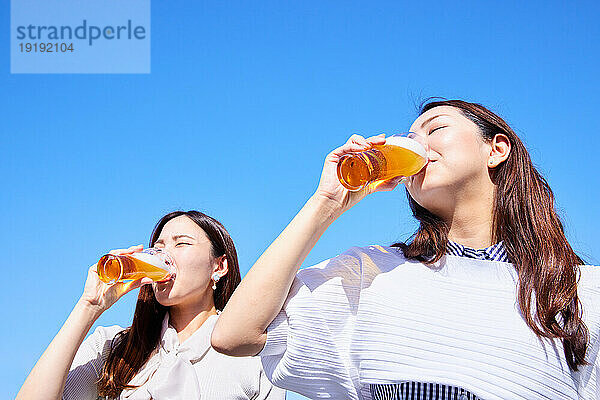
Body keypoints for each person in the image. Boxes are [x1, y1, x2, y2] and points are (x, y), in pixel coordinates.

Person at [211, 100, 600, 400]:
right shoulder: (373, 273)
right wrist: (327, 203)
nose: (417, 144)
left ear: (496, 149)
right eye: (411, 137)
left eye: (436, 129)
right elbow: (234, 334)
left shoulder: (582, 291)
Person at [17, 210, 286, 400]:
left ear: (219, 265)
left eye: (181, 243)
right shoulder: (115, 346)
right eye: (157, 247)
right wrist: (88, 306)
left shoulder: (254, 355)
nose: (164, 254)